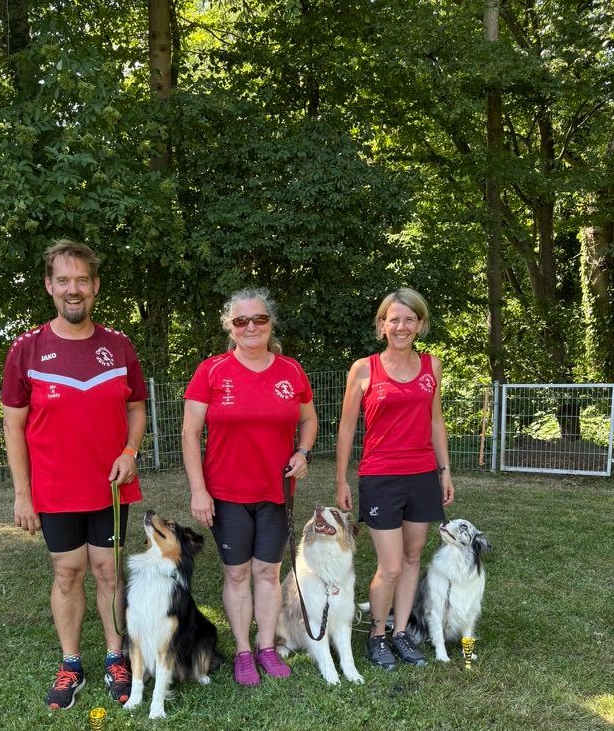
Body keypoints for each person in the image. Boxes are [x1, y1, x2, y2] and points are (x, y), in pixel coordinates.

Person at [1, 240, 147, 709]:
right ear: (49, 286)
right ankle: (71, 664)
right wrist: (23, 495)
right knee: (68, 573)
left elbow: (137, 406)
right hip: (55, 487)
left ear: (95, 285)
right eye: (63, 280)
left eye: (81, 279)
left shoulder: (118, 345)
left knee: (107, 572)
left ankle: (115, 656)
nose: (73, 289)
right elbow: (14, 424)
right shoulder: (27, 348)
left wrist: (130, 449)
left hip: (109, 485)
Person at [182, 287, 318, 686]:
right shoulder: (211, 371)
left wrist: (304, 452)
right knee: (238, 575)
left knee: (268, 572)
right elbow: (190, 434)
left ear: (270, 322)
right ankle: (243, 651)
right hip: (225, 494)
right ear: (231, 327)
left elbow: (308, 420)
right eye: (241, 321)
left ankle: (266, 647)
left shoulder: (290, 371)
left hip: (276, 491)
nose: (251, 326)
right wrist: (198, 490)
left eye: (259, 318)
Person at [336, 287, 454, 670]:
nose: (401, 326)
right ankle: (377, 636)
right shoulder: (364, 369)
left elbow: (436, 420)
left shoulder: (432, 366)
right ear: (382, 324)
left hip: (421, 475)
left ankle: (401, 632)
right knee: (389, 565)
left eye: (409, 319)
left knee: (412, 556)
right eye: (394, 319)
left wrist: (444, 470)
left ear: (420, 324)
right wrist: (341, 479)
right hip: (380, 477)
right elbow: (347, 428)